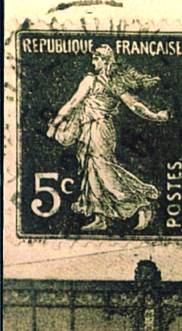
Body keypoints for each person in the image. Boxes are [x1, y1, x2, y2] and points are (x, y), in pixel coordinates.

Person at [46, 44, 170, 233]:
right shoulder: (95, 80)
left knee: (103, 169)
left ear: (105, 61)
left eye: (96, 59)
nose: (93, 62)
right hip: (88, 129)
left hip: (101, 129)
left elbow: (133, 105)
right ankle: (100, 217)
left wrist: (154, 116)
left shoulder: (105, 82)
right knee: (90, 170)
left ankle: (140, 203)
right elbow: (74, 103)